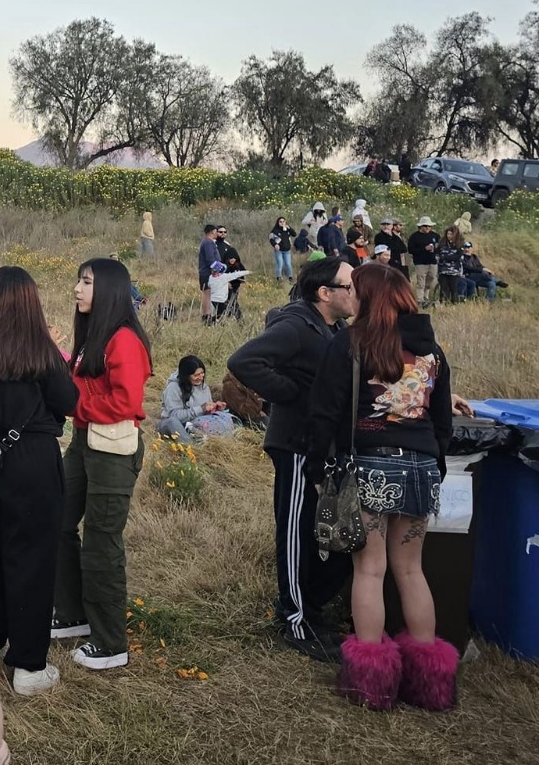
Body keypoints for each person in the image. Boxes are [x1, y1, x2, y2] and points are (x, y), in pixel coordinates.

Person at [306, 263, 458, 710]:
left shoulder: (350, 344)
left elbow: (324, 414)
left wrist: (319, 471)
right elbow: (443, 422)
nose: (349, 296)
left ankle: (370, 682)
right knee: (412, 571)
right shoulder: (434, 353)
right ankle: (430, 683)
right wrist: (432, 462)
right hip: (422, 469)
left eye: (354, 290)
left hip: (368, 467)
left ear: (370, 298)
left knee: (369, 570)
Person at [226, 256, 359, 663]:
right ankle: (297, 620)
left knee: (324, 533)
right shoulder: (297, 325)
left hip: (320, 447)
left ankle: (312, 611)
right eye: (350, 286)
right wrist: (292, 394)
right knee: (296, 533)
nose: (357, 294)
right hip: (297, 445)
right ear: (326, 293)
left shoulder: (331, 327)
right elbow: (244, 361)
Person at [0, 266, 75, 695]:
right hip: (32, 462)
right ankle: (27, 665)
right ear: (30, 301)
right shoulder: (39, 349)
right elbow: (69, 401)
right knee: (32, 558)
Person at [53, 258, 153, 671]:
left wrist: (74, 404)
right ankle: (73, 614)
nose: (77, 288)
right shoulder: (95, 334)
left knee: (101, 542)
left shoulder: (123, 339)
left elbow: (125, 403)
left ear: (109, 289)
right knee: (56, 519)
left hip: (111, 449)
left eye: (87, 282)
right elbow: (83, 381)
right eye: (78, 280)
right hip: (83, 441)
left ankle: (110, 641)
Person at [158, 356, 234, 441]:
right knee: (172, 422)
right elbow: (175, 416)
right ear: (186, 376)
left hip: (197, 424)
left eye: (202, 373)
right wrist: (200, 408)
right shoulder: (173, 388)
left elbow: (206, 411)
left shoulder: (204, 387)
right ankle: (191, 448)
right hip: (177, 425)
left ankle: (205, 440)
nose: (201, 377)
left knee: (226, 418)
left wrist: (215, 407)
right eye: (196, 375)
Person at [408, 217, 441, 306]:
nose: (427, 228)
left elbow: (440, 246)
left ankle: (426, 297)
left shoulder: (435, 235)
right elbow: (411, 250)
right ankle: (420, 299)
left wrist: (435, 249)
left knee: (432, 279)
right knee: (421, 281)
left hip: (432, 261)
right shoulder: (414, 237)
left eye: (429, 226)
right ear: (420, 226)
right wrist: (424, 249)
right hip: (420, 262)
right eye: (425, 226)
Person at [197, 225, 221, 319]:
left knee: (208, 294)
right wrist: (220, 268)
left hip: (207, 272)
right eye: (216, 231)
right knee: (207, 294)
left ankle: (207, 314)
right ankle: (206, 315)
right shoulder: (208, 243)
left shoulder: (207, 242)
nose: (217, 233)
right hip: (207, 273)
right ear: (211, 232)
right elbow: (210, 259)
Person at [437, 226, 466, 302]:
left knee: (453, 289)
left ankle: (454, 304)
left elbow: (457, 256)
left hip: (454, 271)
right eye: (448, 234)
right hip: (443, 270)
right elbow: (437, 253)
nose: (449, 236)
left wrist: (445, 257)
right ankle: (443, 303)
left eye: (451, 234)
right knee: (443, 289)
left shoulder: (460, 244)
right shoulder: (442, 243)